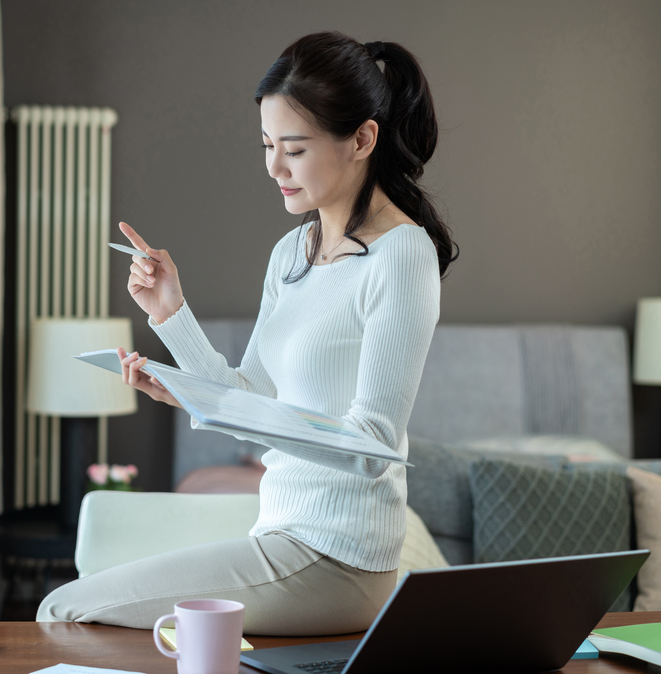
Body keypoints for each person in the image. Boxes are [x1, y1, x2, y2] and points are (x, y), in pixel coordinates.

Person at [37, 31, 457, 635]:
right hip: (283, 533)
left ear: (362, 139)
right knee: (80, 608)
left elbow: (373, 448)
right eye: (266, 145)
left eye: (294, 148)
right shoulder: (293, 252)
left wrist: (219, 407)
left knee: (62, 608)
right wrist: (171, 320)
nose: (273, 167)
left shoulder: (402, 254)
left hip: (338, 560)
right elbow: (253, 392)